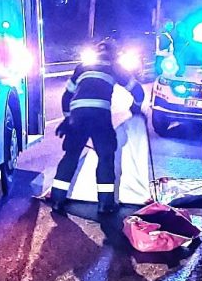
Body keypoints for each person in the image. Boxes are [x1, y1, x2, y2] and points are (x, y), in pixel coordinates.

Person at [50, 38, 144, 215]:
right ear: (114, 53)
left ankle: (56, 200)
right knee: (105, 157)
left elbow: (66, 97)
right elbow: (138, 91)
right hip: (100, 116)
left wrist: (68, 120)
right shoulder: (115, 67)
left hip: (78, 115)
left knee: (71, 155)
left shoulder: (82, 67)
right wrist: (136, 108)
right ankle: (105, 204)